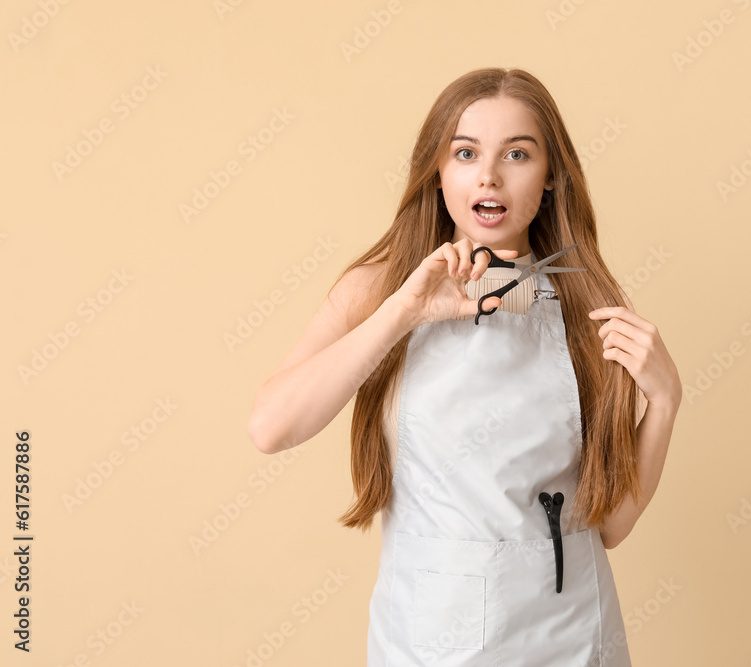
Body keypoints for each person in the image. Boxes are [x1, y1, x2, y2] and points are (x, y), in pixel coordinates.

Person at [247, 67, 682, 666]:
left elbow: (606, 529)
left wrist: (663, 404)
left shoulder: (586, 307)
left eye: (518, 154)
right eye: (466, 152)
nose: (489, 175)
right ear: (439, 171)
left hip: (573, 635)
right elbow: (271, 426)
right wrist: (403, 312)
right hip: (432, 639)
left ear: (552, 176)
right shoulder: (378, 291)